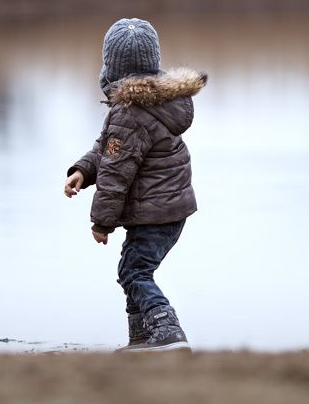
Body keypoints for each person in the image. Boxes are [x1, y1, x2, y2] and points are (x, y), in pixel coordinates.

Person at [65, 18, 207, 352]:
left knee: (135, 272)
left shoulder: (129, 112)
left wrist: (102, 222)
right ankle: (142, 339)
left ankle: (168, 330)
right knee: (132, 267)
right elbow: (106, 150)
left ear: (110, 67)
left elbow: (115, 175)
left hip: (155, 211)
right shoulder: (158, 104)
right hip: (169, 208)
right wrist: (83, 172)